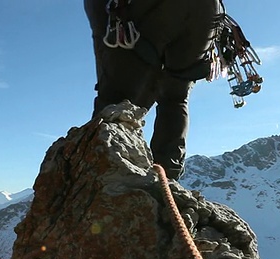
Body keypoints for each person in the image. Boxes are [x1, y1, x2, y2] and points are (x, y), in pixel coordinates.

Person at [84, 0, 221, 180]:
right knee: (175, 98)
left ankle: (101, 172)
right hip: (207, 11)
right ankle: (167, 178)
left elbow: (103, 35)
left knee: (114, 102)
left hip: (142, 8)